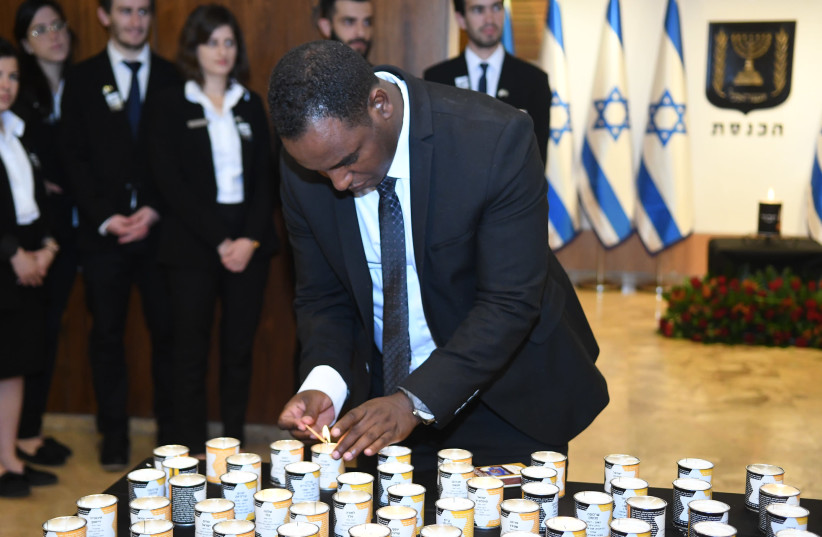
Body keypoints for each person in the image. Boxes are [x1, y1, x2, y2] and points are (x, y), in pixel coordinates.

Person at [270, 41, 608, 471]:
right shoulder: (307, 159)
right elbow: (323, 297)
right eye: (322, 171)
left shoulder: (493, 139)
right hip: (380, 409)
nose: (337, 183)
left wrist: (413, 402)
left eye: (348, 160)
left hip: (505, 399)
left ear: (380, 105)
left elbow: (509, 302)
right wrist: (325, 382)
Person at [147, 4, 277, 453]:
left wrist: (248, 239)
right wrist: (220, 240)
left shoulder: (251, 104)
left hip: (248, 240)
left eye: (228, 41)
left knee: (239, 352)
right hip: (192, 244)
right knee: (189, 353)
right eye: (211, 41)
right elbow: (170, 183)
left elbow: (266, 178)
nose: (222, 51)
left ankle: (233, 446)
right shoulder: (170, 103)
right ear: (194, 48)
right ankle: (190, 450)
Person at [60, 0, 179, 470]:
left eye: (143, 11)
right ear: (104, 15)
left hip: (160, 230)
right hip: (103, 235)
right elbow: (72, 157)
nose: (135, 21)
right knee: (106, 337)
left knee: (167, 335)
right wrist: (107, 217)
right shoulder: (83, 77)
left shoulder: (172, 76)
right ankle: (113, 436)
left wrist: (152, 210)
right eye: (125, 11)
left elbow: (179, 156)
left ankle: (171, 436)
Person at [12, 0, 74, 468]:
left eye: (57, 25)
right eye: (39, 30)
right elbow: (37, 170)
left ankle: (29, 429)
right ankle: (18, 435)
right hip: (26, 234)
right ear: (23, 43)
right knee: (22, 339)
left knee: (46, 333)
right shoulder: (18, 91)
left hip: (67, 231)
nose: (53, 35)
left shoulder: (82, 82)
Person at [0, 37, 59, 497]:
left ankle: (9, 457)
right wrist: (13, 253)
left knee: (15, 366)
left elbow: (34, 202)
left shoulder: (14, 130)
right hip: (5, 262)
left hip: (26, 262)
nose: (5, 85)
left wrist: (45, 247)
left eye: (12, 76)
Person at [424, 0, 550, 165]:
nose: (490, 19)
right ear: (461, 19)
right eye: (478, 10)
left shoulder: (534, 80)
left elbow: (537, 159)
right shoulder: (437, 79)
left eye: (496, 7)